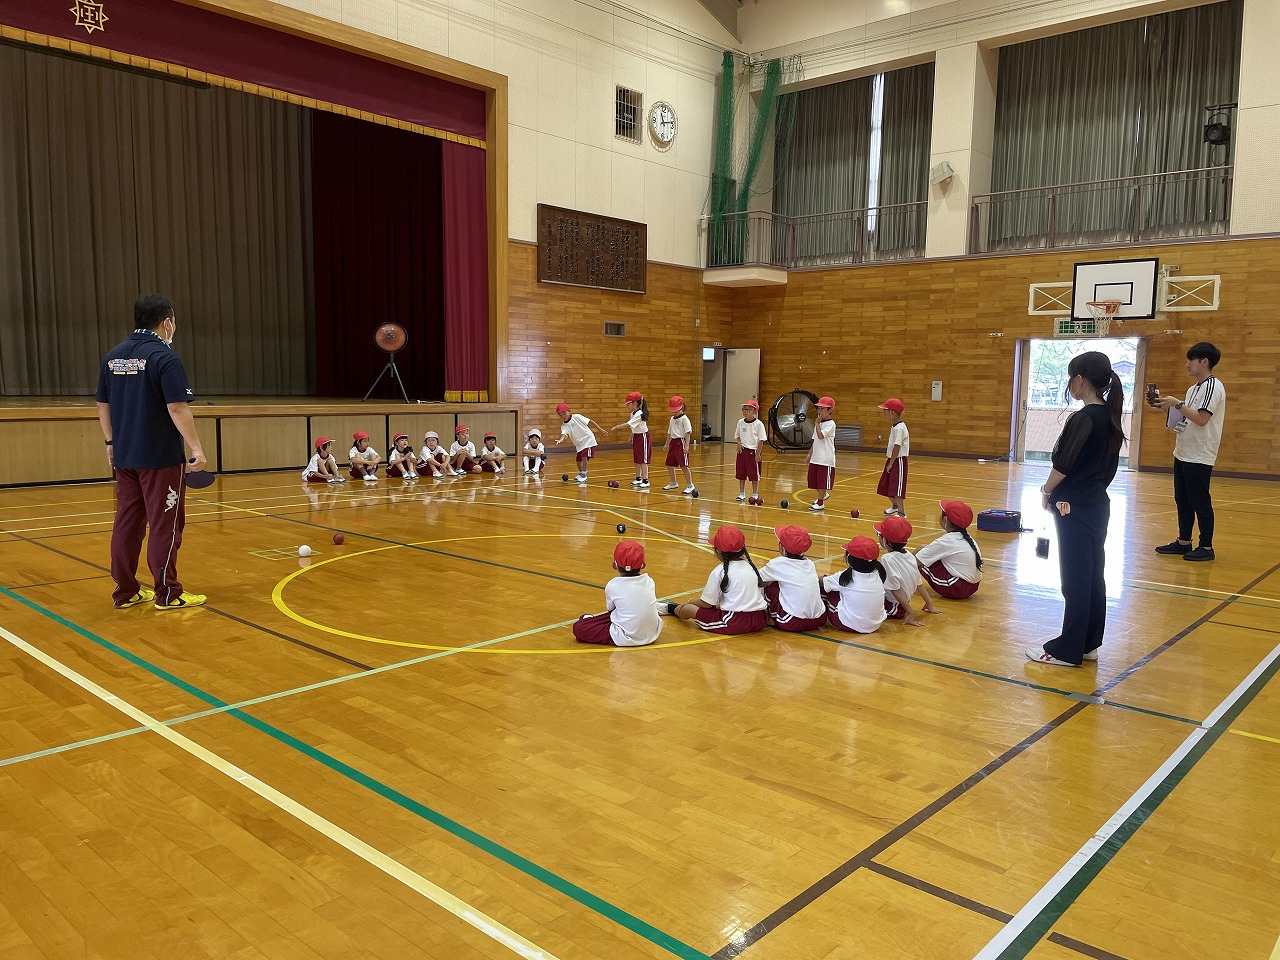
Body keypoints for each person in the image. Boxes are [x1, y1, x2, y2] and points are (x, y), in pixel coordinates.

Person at [95, 294, 207, 610]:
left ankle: (126, 591)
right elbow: (177, 407)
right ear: (167, 322)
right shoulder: (165, 357)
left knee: (127, 523)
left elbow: (102, 405)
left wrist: (110, 443)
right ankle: (168, 593)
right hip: (160, 458)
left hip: (126, 457)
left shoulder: (113, 356)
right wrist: (196, 447)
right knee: (165, 524)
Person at [1027, 351, 1125, 667]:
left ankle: (1067, 649)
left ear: (1079, 380)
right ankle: (1088, 643)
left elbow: (1063, 464)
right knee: (1093, 574)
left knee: (1076, 578)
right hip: (1097, 504)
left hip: (1074, 507)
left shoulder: (1084, 418)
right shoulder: (1110, 418)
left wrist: (1046, 490)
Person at [1153, 342, 1226, 562]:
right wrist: (1168, 408)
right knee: (1182, 499)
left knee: (1199, 501)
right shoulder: (1193, 389)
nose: (1187, 364)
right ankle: (1184, 541)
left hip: (1200, 454)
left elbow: (1202, 420)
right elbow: (1186, 419)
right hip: (1183, 451)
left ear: (1204, 362)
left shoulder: (1213, 386)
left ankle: (1206, 546)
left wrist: (1177, 404)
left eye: (1190, 360)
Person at [666, 526, 768, 634]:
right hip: (760, 618)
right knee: (716, 605)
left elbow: (706, 604)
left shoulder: (719, 571)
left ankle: (671, 608)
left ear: (718, 552)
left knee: (689, 609)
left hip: (734, 621)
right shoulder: (751, 567)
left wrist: (688, 602)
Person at [572, 540, 663, 646]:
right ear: (643, 565)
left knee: (579, 627)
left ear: (615, 564)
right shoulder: (650, 581)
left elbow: (611, 610)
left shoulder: (613, 585)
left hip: (625, 637)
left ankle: (589, 620)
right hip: (652, 634)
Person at [760, 525, 827, 631]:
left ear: (782, 547)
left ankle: (765, 615)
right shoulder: (810, 564)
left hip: (792, 622)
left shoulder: (777, 564)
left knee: (772, 586)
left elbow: (757, 579)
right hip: (819, 619)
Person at [915, 500, 983, 600]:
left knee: (917, 559)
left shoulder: (947, 541)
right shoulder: (965, 536)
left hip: (957, 588)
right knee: (922, 549)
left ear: (945, 519)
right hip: (973, 586)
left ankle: (896, 580)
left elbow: (914, 562)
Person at [874, 515, 935, 625]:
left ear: (885, 540)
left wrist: (911, 613)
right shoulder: (909, 555)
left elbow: (895, 590)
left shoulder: (887, 559)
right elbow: (919, 583)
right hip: (901, 605)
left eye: (879, 534)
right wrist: (929, 603)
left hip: (892, 607)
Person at [823, 536, 888, 634]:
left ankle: (816, 615)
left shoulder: (844, 576)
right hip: (876, 625)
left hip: (849, 625)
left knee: (826, 589)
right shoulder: (878, 573)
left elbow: (821, 582)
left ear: (849, 558)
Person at [554, 403, 607, 484]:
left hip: (587, 440)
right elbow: (564, 434)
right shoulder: (564, 426)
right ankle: (581, 473)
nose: (563, 416)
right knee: (578, 461)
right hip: (579, 445)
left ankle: (584, 474)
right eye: (560, 415)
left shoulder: (577, 417)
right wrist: (560, 440)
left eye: (564, 413)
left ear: (569, 411)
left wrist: (600, 429)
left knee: (584, 457)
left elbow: (590, 421)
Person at [611, 391, 651, 489]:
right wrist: (631, 436)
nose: (627, 405)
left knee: (643, 460)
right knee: (637, 459)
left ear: (635, 403)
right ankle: (638, 478)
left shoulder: (639, 414)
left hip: (643, 437)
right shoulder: (633, 414)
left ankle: (645, 480)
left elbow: (628, 424)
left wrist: (616, 427)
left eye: (628, 403)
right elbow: (633, 427)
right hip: (637, 437)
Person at [877, 398, 909, 517]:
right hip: (892, 459)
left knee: (897, 488)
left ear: (892, 413)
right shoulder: (894, 426)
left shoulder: (900, 428)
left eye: (885, 411)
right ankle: (895, 506)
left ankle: (901, 512)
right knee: (885, 485)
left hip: (898, 461)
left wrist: (891, 463)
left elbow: (897, 446)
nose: (883, 413)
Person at [806, 396, 836, 512]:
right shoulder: (818, 423)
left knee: (822, 482)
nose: (820, 412)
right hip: (816, 457)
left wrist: (817, 424)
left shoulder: (831, 424)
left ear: (830, 410)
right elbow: (815, 440)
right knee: (814, 482)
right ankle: (823, 495)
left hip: (825, 458)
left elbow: (820, 436)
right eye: (819, 409)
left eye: (823, 409)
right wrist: (809, 455)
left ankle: (820, 502)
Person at [734, 400, 767, 503]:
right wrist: (739, 444)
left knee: (754, 475)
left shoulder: (759, 424)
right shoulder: (740, 422)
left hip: (753, 452)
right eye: (744, 409)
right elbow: (738, 435)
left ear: (755, 411)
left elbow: (761, 440)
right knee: (741, 473)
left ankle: (754, 494)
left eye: (748, 409)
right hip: (742, 451)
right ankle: (741, 493)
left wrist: (758, 454)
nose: (745, 411)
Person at [662, 395, 696, 494]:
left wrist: (686, 446)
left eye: (675, 409)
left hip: (681, 442)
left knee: (684, 465)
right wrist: (667, 443)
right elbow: (669, 432)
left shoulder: (684, 419)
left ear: (681, 407)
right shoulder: (672, 419)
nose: (674, 412)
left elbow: (688, 432)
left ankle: (690, 485)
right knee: (669, 464)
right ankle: (673, 482)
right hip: (673, 442)